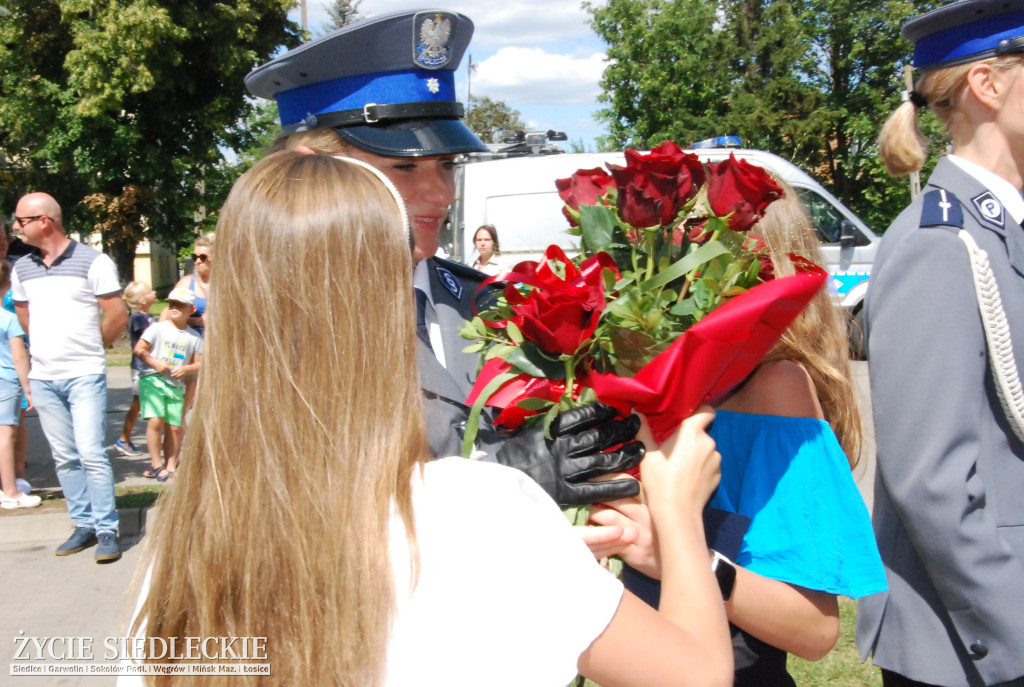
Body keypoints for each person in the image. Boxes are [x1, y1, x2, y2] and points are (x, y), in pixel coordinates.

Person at [124, 150, 733, 687]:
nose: (438, 191)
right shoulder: (478, 510)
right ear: (384, 302)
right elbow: (698, 675)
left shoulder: (187, 541)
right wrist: (677, 512)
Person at [246, 10, 643, 506]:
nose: (441, 193)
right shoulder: (274, 323)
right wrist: (511, 481)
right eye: (403, 167)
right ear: (314, 170)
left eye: (447, 164)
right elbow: (294, 509)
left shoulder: (486, 303)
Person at [580, 185, 887, 685]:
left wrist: (683, 559)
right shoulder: (654, 381)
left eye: (691, 243)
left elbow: (814, 629)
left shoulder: (773, 387)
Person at [855, 2, 1024, 685]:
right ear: (989, 85)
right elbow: (933, 481)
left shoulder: (996, 231)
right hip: (978, 642)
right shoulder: (940, 243)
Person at [11, 192, 128, 562]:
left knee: (92, 453)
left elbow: (117, 315)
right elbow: (25, 318)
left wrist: (94, 349)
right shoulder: (21, 268)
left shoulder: (93, 261)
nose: (15, 227)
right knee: (64, 456)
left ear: (45, 221)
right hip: (45, 377)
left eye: (21, 220)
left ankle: (107, 529)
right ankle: (83, 525)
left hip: (84, 374)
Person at [133, 288, 202, 482]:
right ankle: (157, 465)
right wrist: (155, 362)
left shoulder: (194, 337)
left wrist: (186, 369)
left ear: (191, 309)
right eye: (171, 304)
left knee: (175, 427)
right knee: (155, 421)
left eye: (179, 305)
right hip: (152, 379)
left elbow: (200, 363)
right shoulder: (158, 328)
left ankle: (171, 465)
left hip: (175, 384)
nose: (174, 307)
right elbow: (139, 349)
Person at [0, 261, 37, 509]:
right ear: (8, 285)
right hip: (6, 380)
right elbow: (19, 356)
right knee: (6, 435)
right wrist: (28, 388)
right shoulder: (9, 318)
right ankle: (10, 490)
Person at [0, 217, 31, 495]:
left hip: (19, 347)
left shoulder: (18, 268)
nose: (0, 242)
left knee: (17, 418)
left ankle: (17, 475)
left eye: (2, 236)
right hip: (4, 343)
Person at [115, 281, 157, 458]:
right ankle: (123, 439)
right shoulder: (138, 318)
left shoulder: (148, 316)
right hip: (141, 368)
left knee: (146, 403)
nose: (154, 292)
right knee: (138, 403)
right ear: (141, 301)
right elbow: (149, 338)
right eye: (149, 292)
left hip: (150, 367)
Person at [170, 233, 211, 336]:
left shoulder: (226, 286)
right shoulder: (186, 283)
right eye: (194, 257)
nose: (197, 261)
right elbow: (170, 316)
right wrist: (198, 321)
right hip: (190, 344)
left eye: (203, 257)